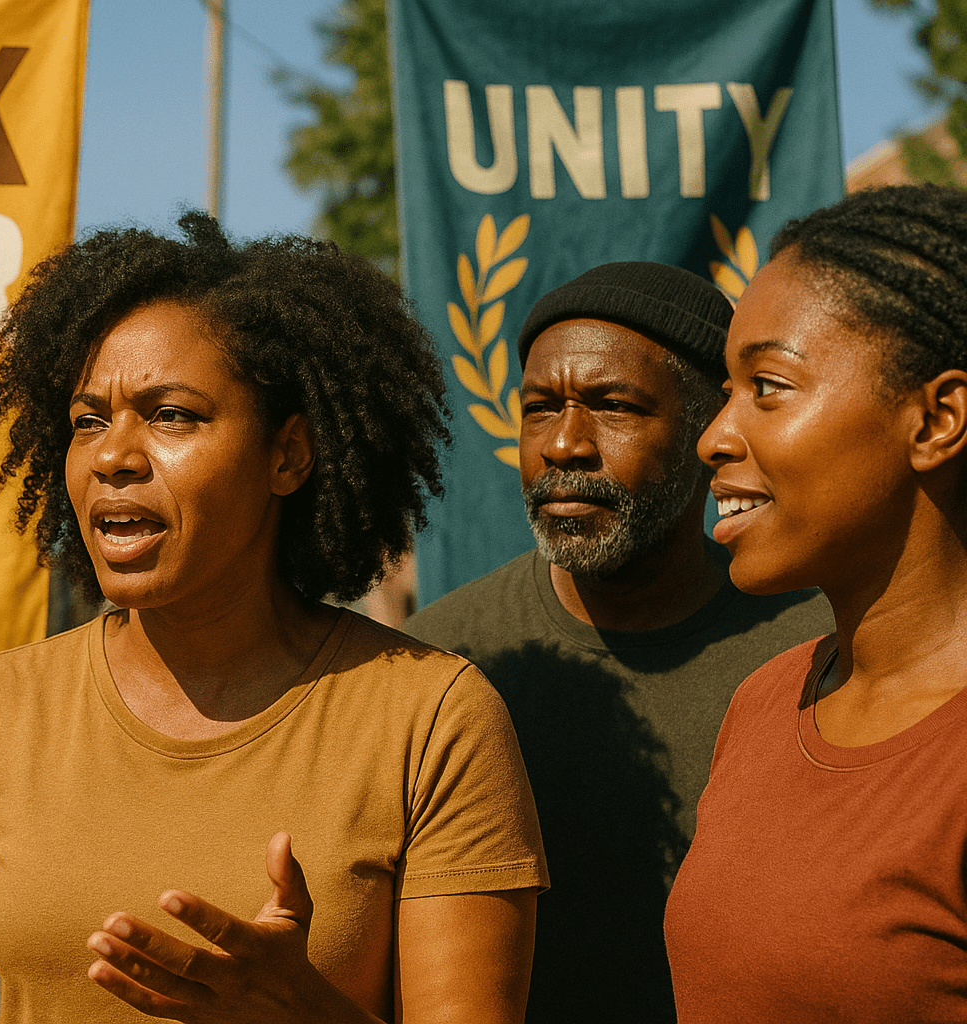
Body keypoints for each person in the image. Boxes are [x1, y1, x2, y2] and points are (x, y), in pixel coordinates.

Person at [0, 212, 548, 1023]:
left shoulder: (431, 717)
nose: (114, 457)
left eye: (172, 415)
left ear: (288, 453)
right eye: (88, 421)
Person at [403, 262, 833, 1023]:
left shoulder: (821, 653)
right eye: (539, 408)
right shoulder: (439, 668)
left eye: (613, 406)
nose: (565, 444)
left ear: (712, 429)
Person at [665, 185, 967, 1021]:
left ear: (936, 419)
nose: (713, 437)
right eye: (726, 390)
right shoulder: (764, 703)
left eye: (767, 385)